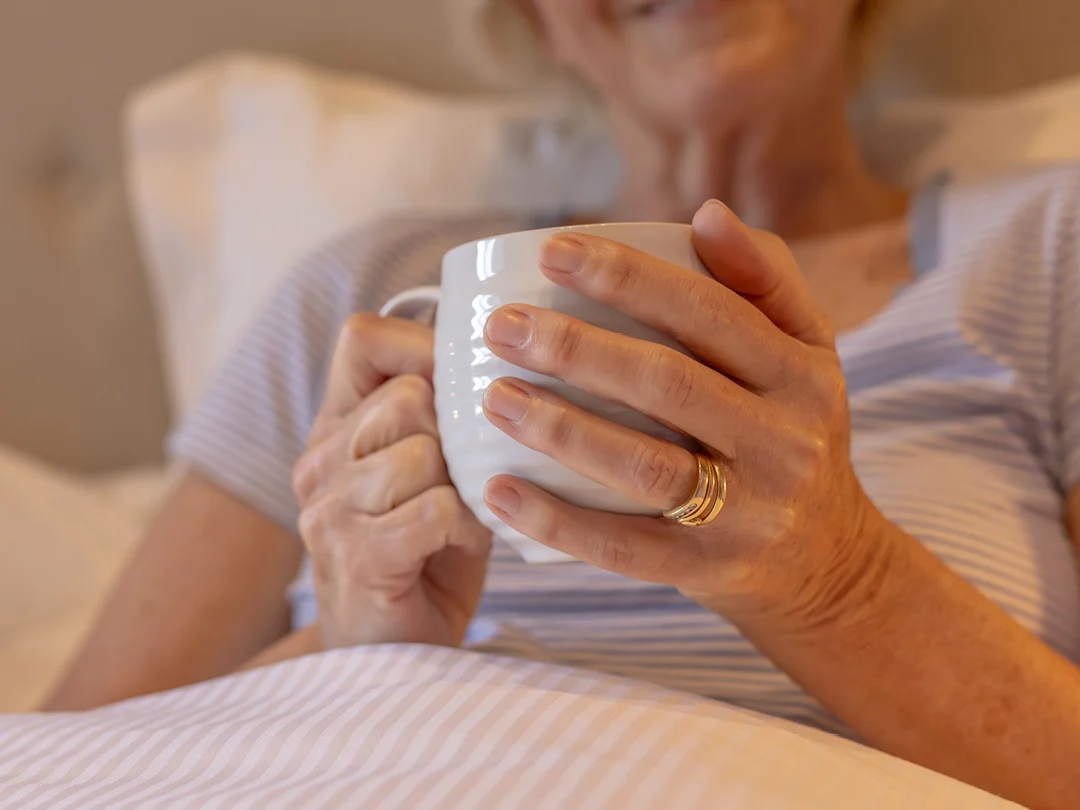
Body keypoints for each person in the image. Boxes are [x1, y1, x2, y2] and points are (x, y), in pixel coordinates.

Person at [45, 0, 1080, 807]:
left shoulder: (1049, 250)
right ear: (539, 18)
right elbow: (77, 764)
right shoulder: (364, 299)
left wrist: (836, 580)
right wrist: (350, 656)